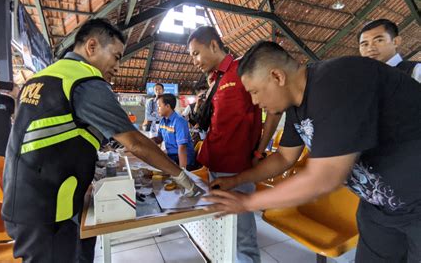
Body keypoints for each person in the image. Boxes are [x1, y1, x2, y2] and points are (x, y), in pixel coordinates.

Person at [1, 19, 201, 263]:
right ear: (92, 46)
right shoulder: (85, 81)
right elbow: (135, 142)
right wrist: (180, 176)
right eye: (116, 57)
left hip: (24, 197)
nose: (118, 65)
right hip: (49, 207)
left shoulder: (42, 77)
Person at [204, 41, 421, 263]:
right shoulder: (295, 106)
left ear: (277, 77)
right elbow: (284, 157)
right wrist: (237, 180)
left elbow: (324, 177)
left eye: (255, 92)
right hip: (379, 209)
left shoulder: (337, 80)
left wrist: (247, 202)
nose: (255, 101)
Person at [188, 26, 281, 263]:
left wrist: (260, 151)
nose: (195, 61)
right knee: (222, 228)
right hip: (215, 165)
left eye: (196, 53)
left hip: (237, 168)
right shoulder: (215, 80)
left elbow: (274, 110)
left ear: (213, 45)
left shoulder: (242, 69)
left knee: (242, 236)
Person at [152, 93, 196, 170]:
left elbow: (182, 147)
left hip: (184, 160)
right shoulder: (163, 121)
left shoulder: (179, 121)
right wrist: (145, 141)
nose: (157, 109)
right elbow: (159, 138)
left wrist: (183, 171)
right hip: (172, 157)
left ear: (168, 106)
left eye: (159, 106)